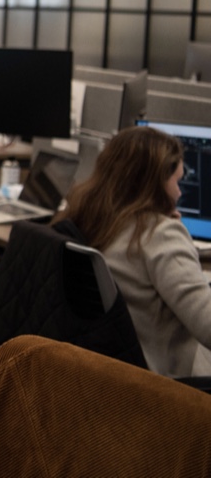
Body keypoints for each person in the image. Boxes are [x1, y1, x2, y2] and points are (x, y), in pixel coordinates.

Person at [53, 125, 211, 377]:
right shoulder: (157, 235)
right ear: (153, 183)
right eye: (176, 182)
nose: (180, 193)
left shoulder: (87, 217)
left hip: (110, 377)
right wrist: (175, 237)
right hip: (169, 391)